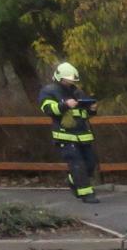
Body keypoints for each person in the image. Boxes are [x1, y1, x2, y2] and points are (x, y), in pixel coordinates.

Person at [38, 62, 100, 203]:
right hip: (65, 136)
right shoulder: (49, 91)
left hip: (83, 135)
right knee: (77, 164)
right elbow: (48, 108)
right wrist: (64, 105)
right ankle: (86, 194)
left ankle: (74, 179)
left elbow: (84, 113)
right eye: (68, 79)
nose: (71, 81)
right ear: (60, 77)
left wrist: (92, 109)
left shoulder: (77, 91)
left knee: (90, 163)